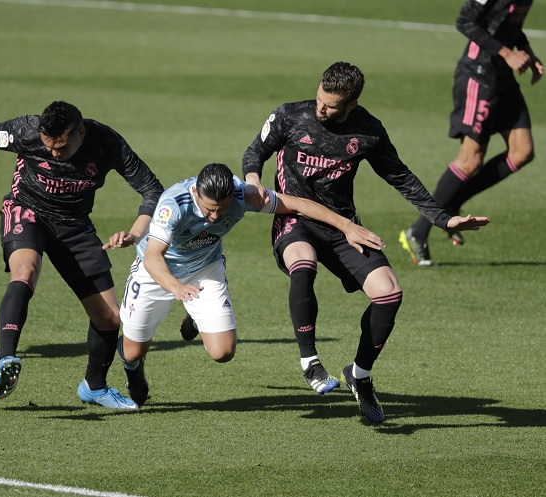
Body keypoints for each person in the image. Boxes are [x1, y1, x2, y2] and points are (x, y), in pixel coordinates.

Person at [241, 62, 490, 423]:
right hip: (294, 217)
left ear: (351, 105)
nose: (320, 109)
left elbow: (400, 177)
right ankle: (310, 361)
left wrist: (444, 218)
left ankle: (359, 374)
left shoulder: (368, 131)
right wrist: (253, 180)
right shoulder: (290, 116)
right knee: (303, 263)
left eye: (330, 106)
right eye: (319, 100)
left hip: (345, 227)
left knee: (389, 293)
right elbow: (254, 152)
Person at [0, 100, 164, 409]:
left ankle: (94, 387)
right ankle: (6, 358)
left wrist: (135, 233)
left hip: (74, 225)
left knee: (110, 316)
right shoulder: (27, 131)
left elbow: (153, 189)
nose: (53, 154)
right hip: (26, 210)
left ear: (81, 133)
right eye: (48, 147)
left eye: (61, 148)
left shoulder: (107, 142)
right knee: (26, 270)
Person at [106, 162, 385, 407]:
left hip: (205, 268)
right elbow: (154, 257)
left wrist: (346, 226)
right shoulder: (173, 205)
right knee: (133, 350)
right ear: (195, 194)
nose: (215, 216)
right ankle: (133, 368)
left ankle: (196, 319)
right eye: (208, 209)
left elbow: (297, 204)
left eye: (221, 209)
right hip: (157, 273)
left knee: (223, 352)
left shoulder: (242, 195)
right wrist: (176, 288)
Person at [400, 0, 542, 266]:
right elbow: (465, 21)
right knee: (470, 159)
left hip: (503, 77)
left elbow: (507, 25)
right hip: (478, 75)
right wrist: (507, 53)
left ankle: (452, 205)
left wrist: (525, 51)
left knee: (522, 152)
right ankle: (418, 232)